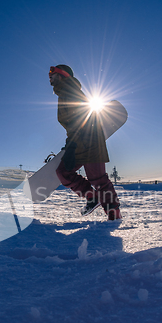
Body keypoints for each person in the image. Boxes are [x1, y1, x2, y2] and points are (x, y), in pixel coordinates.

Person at [49, 64, 121, 220]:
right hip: (78, 142)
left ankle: (114, 215)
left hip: (91, 142)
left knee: (99, 180)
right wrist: (70, 144)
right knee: (63, 172)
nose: (50, 76)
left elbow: (84, 117)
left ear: (62, 75)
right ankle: (92, 197)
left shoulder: (70, 91)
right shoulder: (63, 94)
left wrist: (73, 143)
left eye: (52, 73)